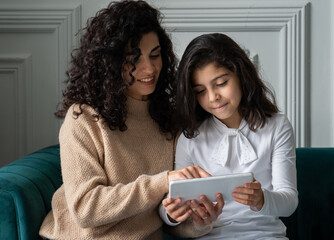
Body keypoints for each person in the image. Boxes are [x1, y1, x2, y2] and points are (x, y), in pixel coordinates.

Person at [39, 1, 211, 239]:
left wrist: (198, 221)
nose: (149, 69)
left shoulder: (169, 119)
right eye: (134, 59)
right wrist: (163, 181)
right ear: (110, 63)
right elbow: (85, 209)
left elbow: (169, 216)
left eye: (155, 55)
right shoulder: (84, 119)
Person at [161, 33, 298, 239]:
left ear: (241, 75)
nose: (213, 97)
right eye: (200, 91)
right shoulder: (190, 139)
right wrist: (171, 215)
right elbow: (175, 201)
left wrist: (261, 199)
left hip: (265, 235)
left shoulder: (277, 127)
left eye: (221, 83)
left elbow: (289, 202)